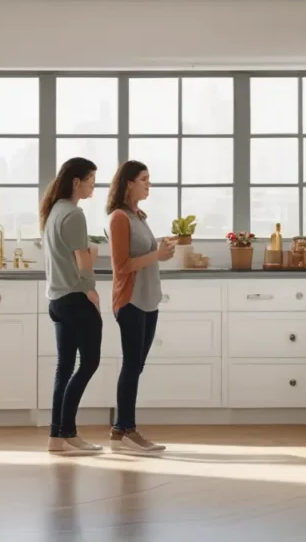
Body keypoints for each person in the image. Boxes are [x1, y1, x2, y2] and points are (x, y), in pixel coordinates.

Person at [106, 160, 175, 453]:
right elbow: (122, 266)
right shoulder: (119, 217)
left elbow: (146, 257)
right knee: (132, 365)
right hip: (131, 300)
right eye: (144, 179)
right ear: (129, 183)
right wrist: (156, 255)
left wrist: (162, 253)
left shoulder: (138, 215)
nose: (149, 184)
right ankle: (126, 431)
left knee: (136, 366)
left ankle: (121, 431)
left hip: (147, 299)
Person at [40, 157, 103, 454]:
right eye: (90, 180)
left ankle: (56, 438)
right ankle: (69, 432)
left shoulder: (53, 211)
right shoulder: (75, 215)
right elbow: (82, 262)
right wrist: (91, 288)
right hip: (76, 298)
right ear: (76, 181)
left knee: (64, 368)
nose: (93, 185)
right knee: (88, 363)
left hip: (56, 300)